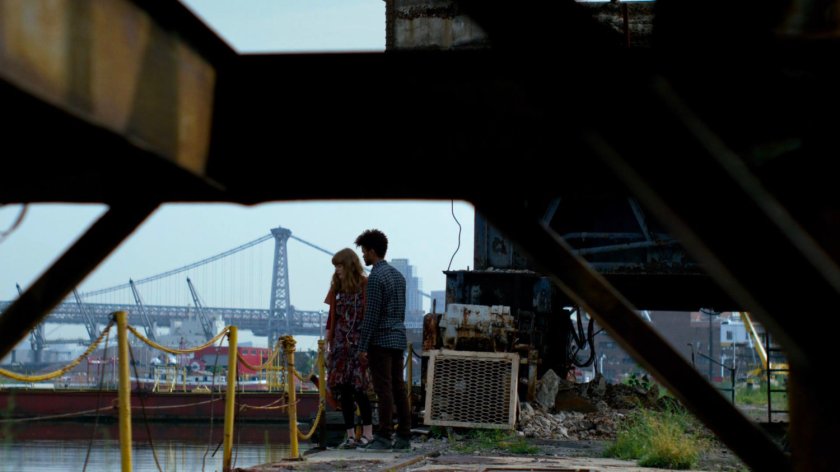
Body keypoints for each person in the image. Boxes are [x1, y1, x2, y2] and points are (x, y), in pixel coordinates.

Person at [354, 229, 411, 451]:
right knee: (399, 388)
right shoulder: (399, 276)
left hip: (381, 340)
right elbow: (400, 312)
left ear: (372, 251)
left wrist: (362, 346)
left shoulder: (376, 278)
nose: (363, 255)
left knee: (383, 388)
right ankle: (404, 436)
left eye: (364, 251)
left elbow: (372, 315)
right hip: (398, 337)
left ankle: (384, 436)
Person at [324, 248, 374, 449]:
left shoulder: (365, 285)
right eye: (335, 266)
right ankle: (350, 436)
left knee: (360, 389)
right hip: (339, 345)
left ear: (350, 265)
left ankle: (368, 434)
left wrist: (368, 344)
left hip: (359, 344)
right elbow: (331, 317)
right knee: (344, 390)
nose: (337, 270)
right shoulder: (336, 288)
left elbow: (370, 314)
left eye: (340, 266)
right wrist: (327, 341)